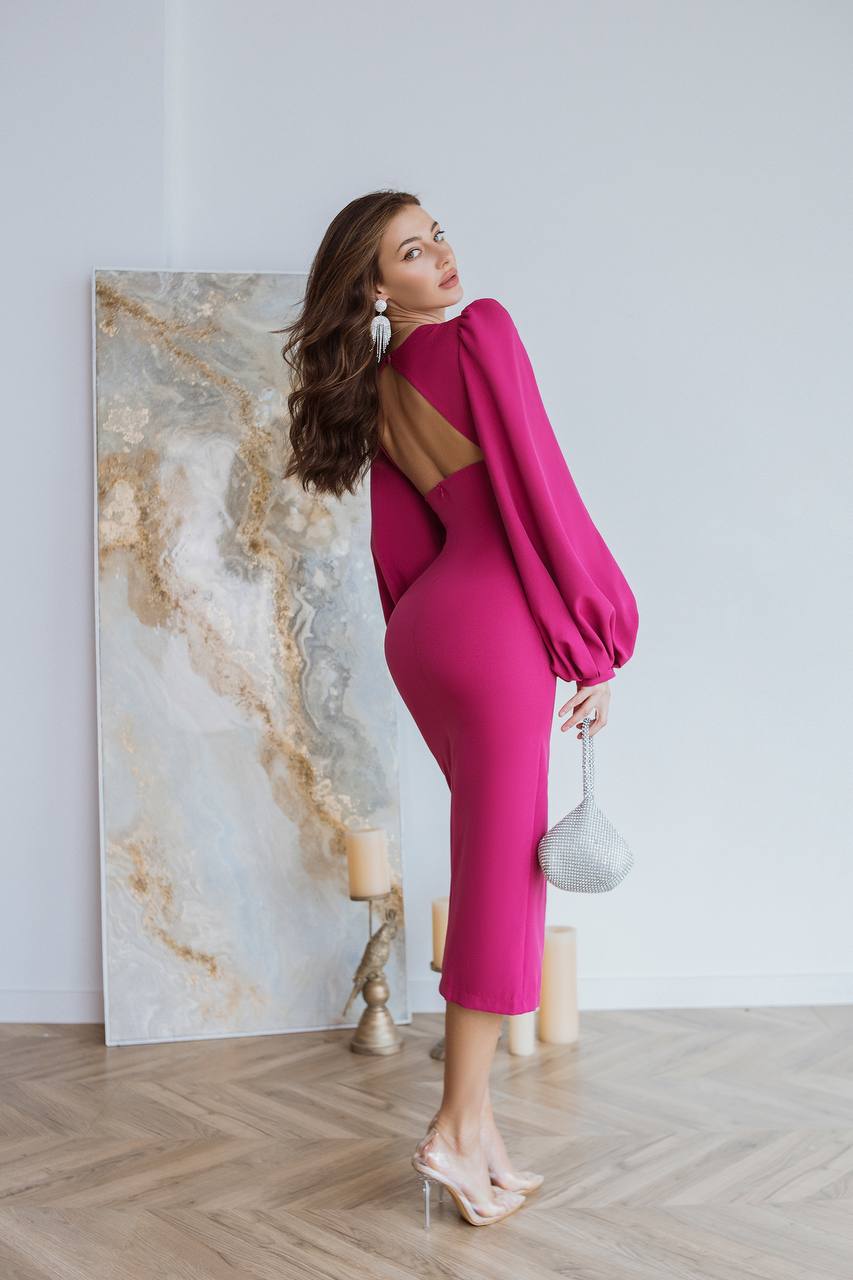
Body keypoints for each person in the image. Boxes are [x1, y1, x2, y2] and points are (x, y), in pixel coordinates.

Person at [280, 190, 639, 1228]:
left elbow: (401, 539)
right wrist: (595, 637)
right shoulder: (482, 332)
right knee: (500, 870)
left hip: (426, 629)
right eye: (410, 249)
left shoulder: (380, 385)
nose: (440, 253)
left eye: (434, 234)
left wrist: (434, 630)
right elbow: (538, 490)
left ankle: (480, 1131)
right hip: (490, 628)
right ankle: (450, 1124)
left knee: (495, 855)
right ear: (372, 287)